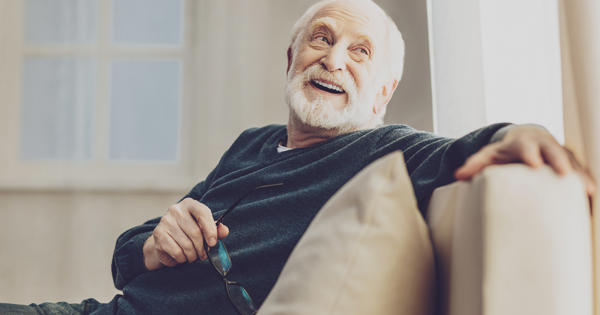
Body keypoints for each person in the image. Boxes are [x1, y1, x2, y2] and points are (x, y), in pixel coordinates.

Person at [1, 0, 595, 314]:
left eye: (360, 51)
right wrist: (153, 243)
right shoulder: (253, 142)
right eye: (322, 38)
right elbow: (126, 263)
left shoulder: (387, 152)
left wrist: (525, 131)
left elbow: (465, 147)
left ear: (383, 94)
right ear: (291, 59)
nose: (334, 60)